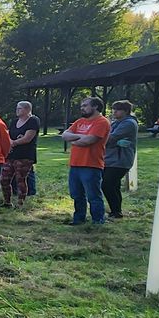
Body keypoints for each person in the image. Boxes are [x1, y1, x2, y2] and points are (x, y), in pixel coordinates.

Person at [62, 96, 111, 225]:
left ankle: (98, 221)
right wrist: (80, 137)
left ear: (95, 106)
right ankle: (78, 219)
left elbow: (89, 141)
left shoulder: (102, 122)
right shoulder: (80, 121)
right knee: (77, 195)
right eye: (81, 106)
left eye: (85, 105)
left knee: (93, 196)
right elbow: (65, 135)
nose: (82, 108)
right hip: (75, 164)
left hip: (91, 164)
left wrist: (75, 140)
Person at [101, 100, 138, 219]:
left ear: (126, 111)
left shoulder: (129, 123)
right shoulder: (116, 122)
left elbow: (110, 138)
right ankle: (116, 211)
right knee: (113, 185)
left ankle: (116, 211)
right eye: (113, 109)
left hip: (120, 160)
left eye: (117, 109)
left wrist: (107, 140)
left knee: (107, 184)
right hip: (111, 159)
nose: (114, 112)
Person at [0, 101, 39, 207]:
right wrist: (9, 142)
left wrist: (14, 143)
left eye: (20, 108)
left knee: (20, 178)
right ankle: (7, 201)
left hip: (25, 155)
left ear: (27, 109)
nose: (17, 110)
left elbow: (28, 138)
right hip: (11, 154)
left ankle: (20, 202)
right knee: (4, 179)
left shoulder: (33, 121)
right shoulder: (14, 121)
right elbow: (8, 133)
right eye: (17, 108)